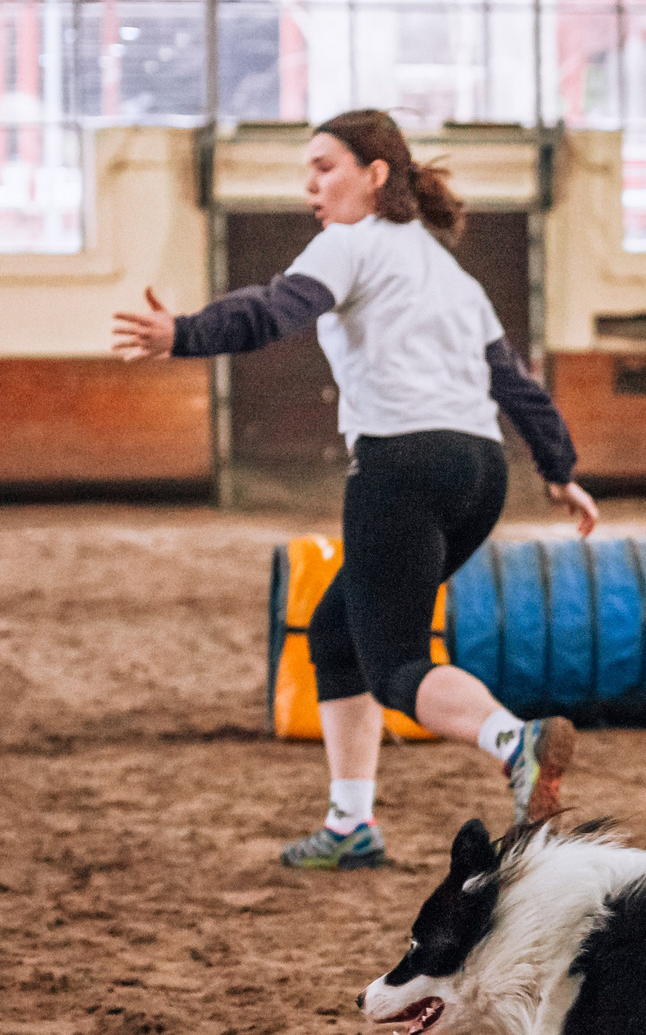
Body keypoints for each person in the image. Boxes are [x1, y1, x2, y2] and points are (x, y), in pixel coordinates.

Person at [112, 109, 600, 870]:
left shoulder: (348, 245)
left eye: (325, 166)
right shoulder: (450, 271)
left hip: (403, 466)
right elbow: (515, 382)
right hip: (480, 473)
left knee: (396, 664)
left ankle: (518, 742)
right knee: (338, 632)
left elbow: (275, 311)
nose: (312, 184)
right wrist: (562, 470)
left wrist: (185, 333)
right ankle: (350, 825)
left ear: (376, 174)